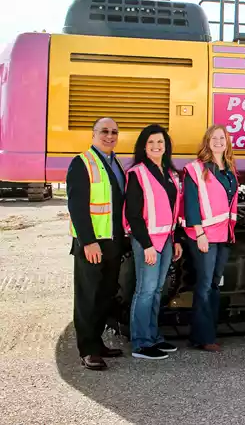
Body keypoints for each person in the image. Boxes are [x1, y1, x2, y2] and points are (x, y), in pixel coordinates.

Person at [66, 117, 126, 371]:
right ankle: (87, 350)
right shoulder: (82, 163)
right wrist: (88, 242)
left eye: (114, 132)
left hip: (112, 242)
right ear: (93, 134)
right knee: (87, 297)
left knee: (105, 296)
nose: (109, 136)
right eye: (104, 131)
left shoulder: (116, 163)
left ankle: (98, 342)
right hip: (92, 243)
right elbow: (77, 207)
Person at [122, 124, 185, 360]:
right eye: (151, 143)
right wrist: (146, 245)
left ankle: (153, 335)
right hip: (147, 241)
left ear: (166, 146)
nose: (156, 146)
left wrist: (177, 238)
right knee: (145, 290)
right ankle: (141, 343)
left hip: (166, 239)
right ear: (143, 147)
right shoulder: (137, 173)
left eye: (160, 142)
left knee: (157, 290)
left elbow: (175, 209)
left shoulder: (170, 174)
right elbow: (133, 214)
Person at [182, 125, 238, 352]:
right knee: (204, 285)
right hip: (204, 235)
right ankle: (202, 337)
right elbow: (191, 202)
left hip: (223, 234)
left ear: (227, 142)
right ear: (207, 141)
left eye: (222, 138)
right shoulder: (196, 169)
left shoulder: (229, 169)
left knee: (214, 284)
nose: (218, 142)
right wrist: (200, 233)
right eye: (214, 138)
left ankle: (209, 331)